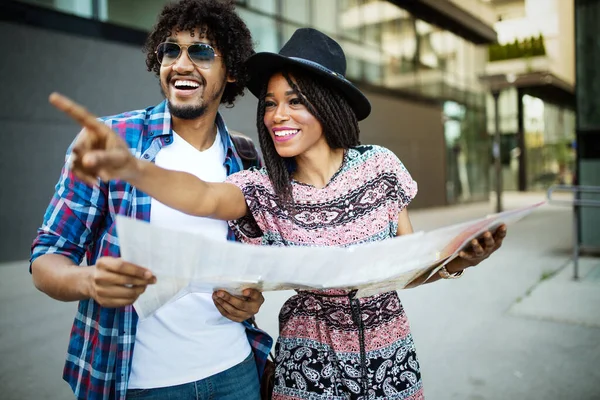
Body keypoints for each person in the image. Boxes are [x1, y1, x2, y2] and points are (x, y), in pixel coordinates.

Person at [49, 28, 507, 400]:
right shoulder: (262, 185)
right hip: (307, 372)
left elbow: (404, 269)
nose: (276, 115)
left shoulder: (380, 166)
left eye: (294, 100)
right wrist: (133, 167)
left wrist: (455, 262)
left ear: (328, 105)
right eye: (269, 103)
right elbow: (201, 196)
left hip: (392, 363)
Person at [30, 1, 273, 399]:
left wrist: (250, 300)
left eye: (201, 51)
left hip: (235, 372)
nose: (180, 63)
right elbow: (46, 259)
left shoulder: (245, 156)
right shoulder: (113, 141)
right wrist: (88, 281)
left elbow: (251, 263)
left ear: (230, 71)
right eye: (170, 50)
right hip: (140, 382)